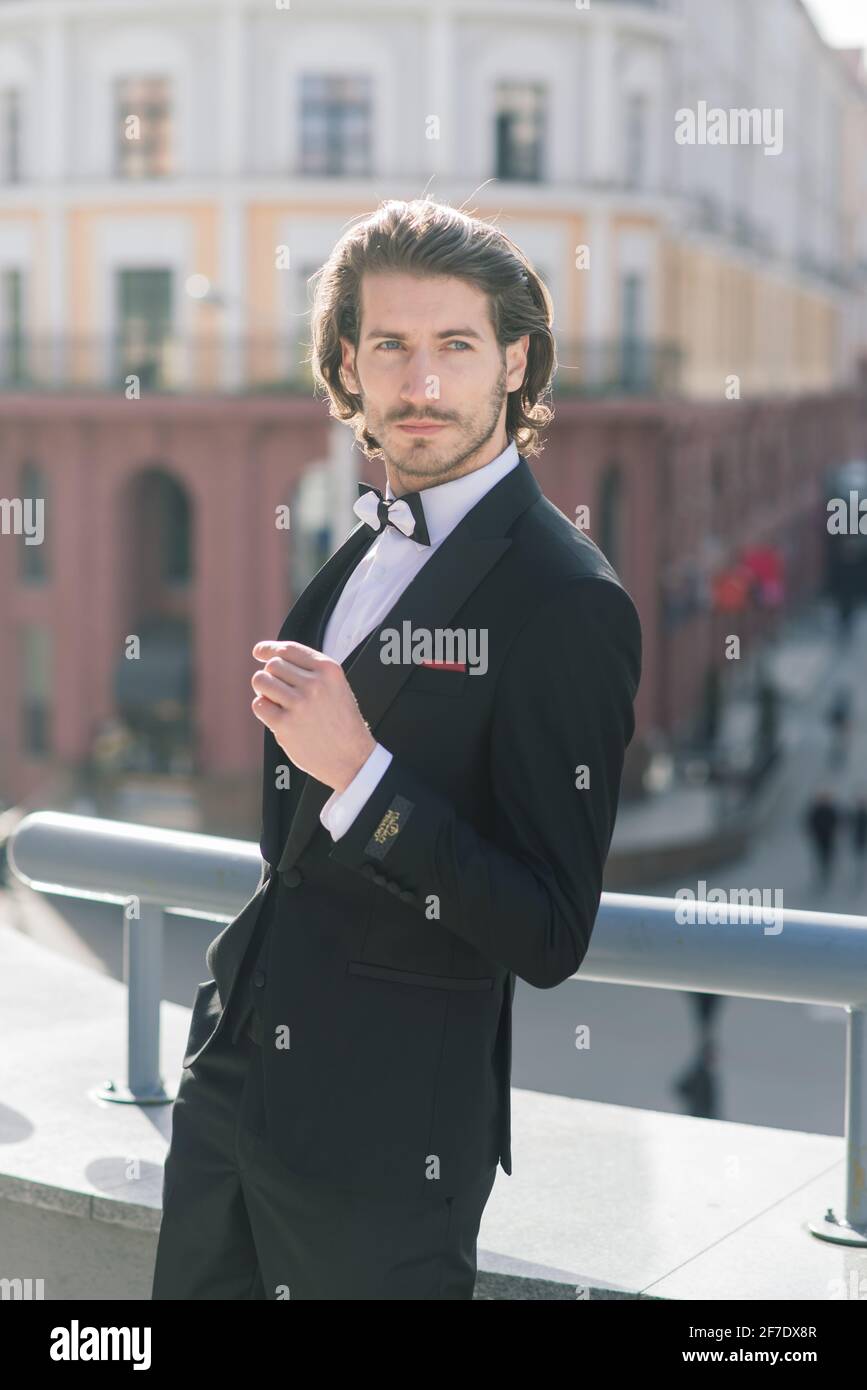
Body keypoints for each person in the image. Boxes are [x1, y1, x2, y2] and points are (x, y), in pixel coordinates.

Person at [152, 197, 642, 1301]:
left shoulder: (568, 602)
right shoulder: (364, 538)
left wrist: (365, 775)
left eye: (456, 346)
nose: (422, 384)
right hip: (232, 1096)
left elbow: (550, 927)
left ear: (516, 361)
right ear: (349, 366)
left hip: (387, 1157)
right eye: (392, 347)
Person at [803, 788, 840, 889]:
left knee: (827, 856)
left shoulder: (830, 810)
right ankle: (822, 874)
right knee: (820, 856)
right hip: (819, 837)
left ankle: (826, 874)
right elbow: (810, 822)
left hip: (828, 837)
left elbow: (836, 822)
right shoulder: (817, 811)